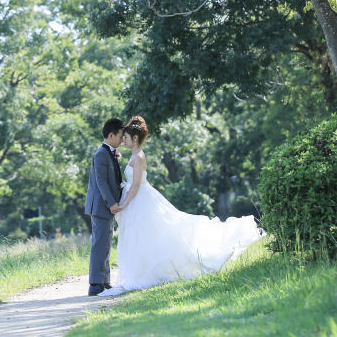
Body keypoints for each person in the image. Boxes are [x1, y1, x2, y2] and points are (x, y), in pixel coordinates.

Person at [99, 116, 263, 296]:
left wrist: (123, 203)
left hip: (139, 199)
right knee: (140, 236)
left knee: (147, 234)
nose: (124, 140)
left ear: (135, 138)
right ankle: (140, 271)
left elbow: (136, 184)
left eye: (127, 137)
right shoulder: (134, 156)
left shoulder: (139, 157)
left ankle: (147, 272)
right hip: (136, 200)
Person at [84, 118, 125, 296]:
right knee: (100, 244)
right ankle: (94, 284)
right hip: (101, 206)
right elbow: (101, 181)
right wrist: (112, 203)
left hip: (105, 207)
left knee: (106, 243)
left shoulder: (111, 153)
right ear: (111, 135)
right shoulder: (101, 153)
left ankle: (104, 280)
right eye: (121, 136)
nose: (123, 140)